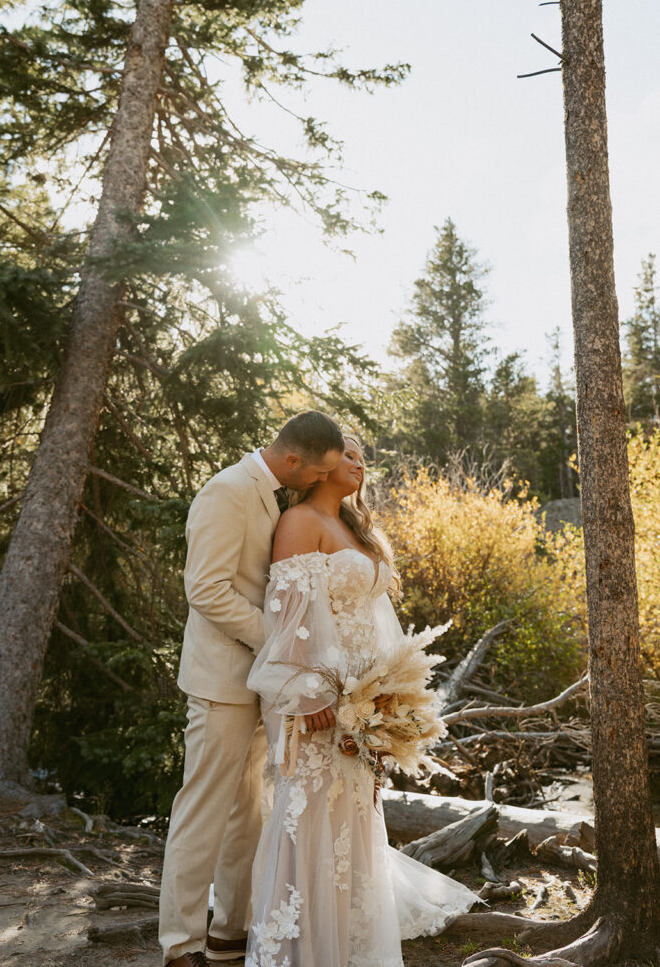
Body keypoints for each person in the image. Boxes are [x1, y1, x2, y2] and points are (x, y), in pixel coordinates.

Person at [246, 437, 478, 967]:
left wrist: (388, 699)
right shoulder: (299, 520)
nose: (358, 463)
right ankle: (300, 950)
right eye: (348, 455)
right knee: (310, 814)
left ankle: (346, 945)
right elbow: (290, 615)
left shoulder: (355, 528)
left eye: (361, 457)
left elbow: (374, 621)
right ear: (323, 465)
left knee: (354, 813)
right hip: (316, 696)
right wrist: (308, 693)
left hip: (362, 699)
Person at [159, 412, 345, 967]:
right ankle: (180, 946)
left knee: (250, 811)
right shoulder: (226, 491)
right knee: (203, 809)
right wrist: (282, 641)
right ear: (293, 462)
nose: (318, 483)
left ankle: (228, 934)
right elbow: (207, 590)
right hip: (221, 679)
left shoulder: (278, 496)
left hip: (265, 683)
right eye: (317, 473)